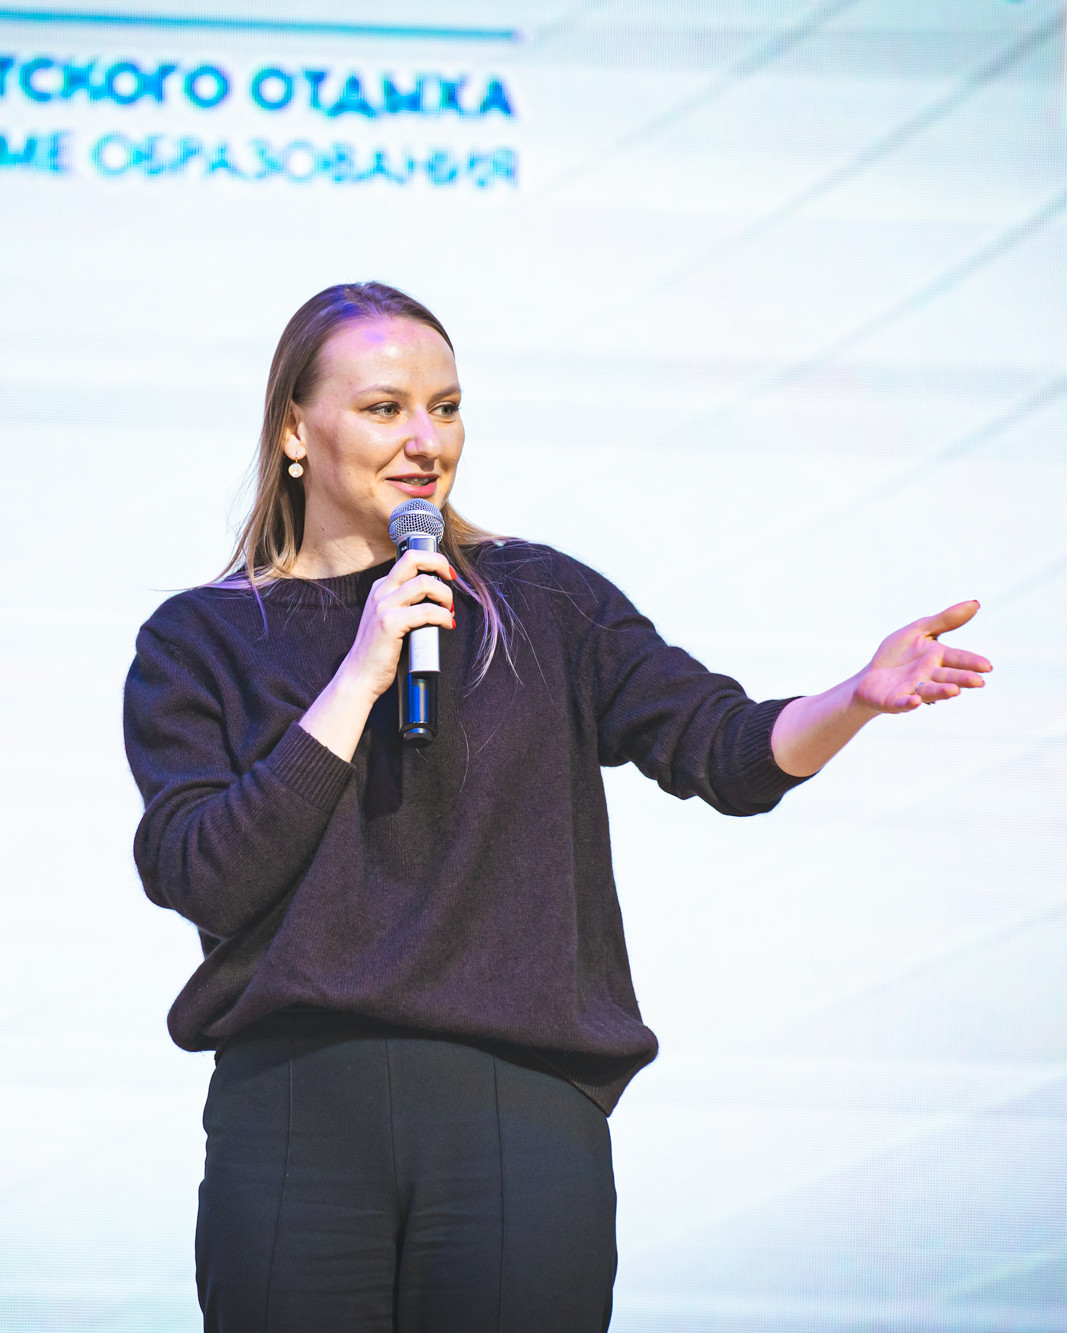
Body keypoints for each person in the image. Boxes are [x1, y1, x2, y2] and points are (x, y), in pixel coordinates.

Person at [123, 282, 992, 1332]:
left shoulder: (541, 602)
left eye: (446, 407)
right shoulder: (202, 639)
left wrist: (851, 697)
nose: (425, 440)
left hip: (517, 1111)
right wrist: (358, 674)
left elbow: (721, 749)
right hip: (297, 1112)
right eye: (385, 408)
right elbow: (201, 873)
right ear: (294, 430)